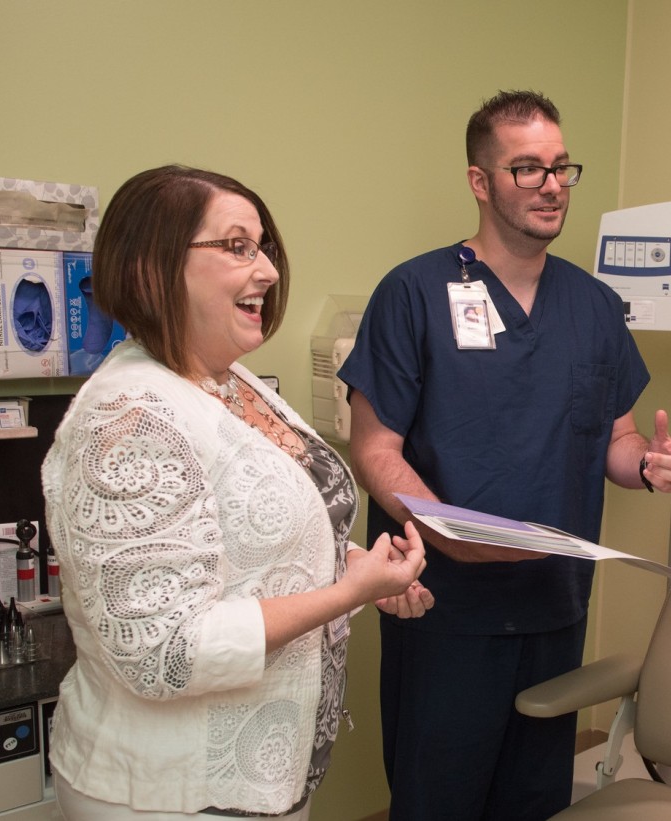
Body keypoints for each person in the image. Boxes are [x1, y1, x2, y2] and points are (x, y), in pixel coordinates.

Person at [339, 90, 671, 821]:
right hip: (444, 607)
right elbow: (373, 447)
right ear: (481, 180)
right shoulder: (413, 293)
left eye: (562, 167)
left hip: (552, 604)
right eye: (528, 168)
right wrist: (451, 533)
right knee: (438, 801)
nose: (552, 185)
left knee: (534, 802)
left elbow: (615, 441)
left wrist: (648, 465)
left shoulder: (594, 306)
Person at [41, 165, 428, 820]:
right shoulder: (130, 417)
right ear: (150, 269)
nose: (269, 271)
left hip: (265, 776)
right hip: (170, 793)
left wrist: (356, 570)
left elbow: (245, 539)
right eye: (237, 247)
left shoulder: (227, 380)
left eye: (263, 247)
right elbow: (163, 652)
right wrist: (343, 595)